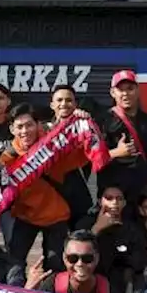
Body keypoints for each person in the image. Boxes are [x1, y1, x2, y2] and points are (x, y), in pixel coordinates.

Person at [0, 105, 92, 272]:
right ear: (12, 129)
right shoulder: (7, 158)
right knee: (14, 263)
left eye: (29, 125)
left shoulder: (55, 147)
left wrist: (84, 123)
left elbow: (83, 154)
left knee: (55, 266)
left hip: (56, 216)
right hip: (24, 216)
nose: (25, 131)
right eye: (19, 127)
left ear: (38, 125)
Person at [97, 70, 147, 207]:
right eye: (120, 90)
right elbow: (92, 159)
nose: (125, 94)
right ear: (112, 93)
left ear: (138, 91)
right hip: (113, 194)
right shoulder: (102, 121)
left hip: (142, 192)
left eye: (130, 89)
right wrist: (117, 152)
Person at [84, 184, 147, 293]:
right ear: (100, 201)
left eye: (119, 199)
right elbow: (77, 251)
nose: (114, 202)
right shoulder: (86, 223)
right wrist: (96, 229)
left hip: (123, 281)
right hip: (92, 277)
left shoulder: (132, 228)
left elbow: (140, 260)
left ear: (124, 203)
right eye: (109, 198)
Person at [46, 84, 94, 227]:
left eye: (68, 100)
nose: (64, 104)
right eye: (59, 100)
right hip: (51, 198)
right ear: (52, 105)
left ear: (75, 104)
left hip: (80, 197)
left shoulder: (85, 126)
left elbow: (98, 154)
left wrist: (87, 123)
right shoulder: (43, 130)